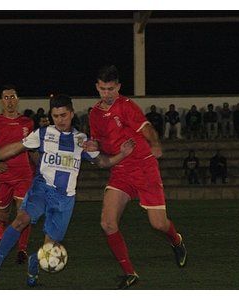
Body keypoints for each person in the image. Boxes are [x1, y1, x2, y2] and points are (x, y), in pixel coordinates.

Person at [0, 94, 136, 287]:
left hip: (64, 198)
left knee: (50, 247)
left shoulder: (81, 140)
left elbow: (103, 162)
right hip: (41, 189)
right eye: (56, 116)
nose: (60, 120)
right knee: (20, 220)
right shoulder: (42, 134)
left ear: (72, 114)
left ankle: (34, 261)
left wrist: (122, 154)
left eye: (64, 115)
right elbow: (15, 148)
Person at [86, 65, 187, 289]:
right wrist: (93, 145)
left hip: (144, 167)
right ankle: (130, 273)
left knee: (158, 224)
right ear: (97, 87)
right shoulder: (94, 114)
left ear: (118, 87)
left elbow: (147, 127)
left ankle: (176, 240)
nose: (107, 94)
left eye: (111, 89)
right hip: (120, 170)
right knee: (107, 223)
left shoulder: (126, 106)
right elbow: (98, 144)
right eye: (103, 89)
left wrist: (156, 143)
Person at [0, 84, 35, 264]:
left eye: (12, 97)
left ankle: (22, 249)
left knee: (24, 212)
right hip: (2, 177)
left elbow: (32, 148)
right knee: (4, 214)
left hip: (24, 174)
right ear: (1, 101)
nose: (9, 101)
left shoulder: (27, 122)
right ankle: (2, 224)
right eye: (6, 97)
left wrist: (40, 164)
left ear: (17, 100)